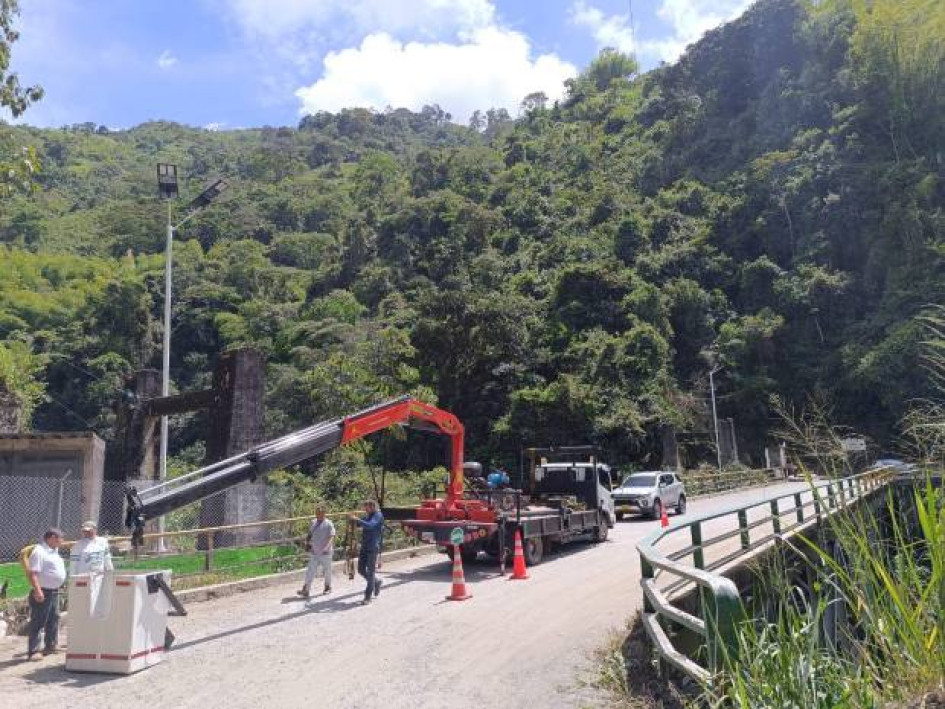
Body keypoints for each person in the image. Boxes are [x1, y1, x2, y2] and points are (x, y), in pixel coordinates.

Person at [25, 528, 67, 661]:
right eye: (61, 538)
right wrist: (37, 590)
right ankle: (34, 651)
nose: (63, 541)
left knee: (53, 618)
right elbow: (33, 573)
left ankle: (50, 645)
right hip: (43, 591)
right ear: (52, 537)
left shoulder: (54, 552)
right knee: (38, 620)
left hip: (53, 591)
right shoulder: (39, 551)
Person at [350, 500, 384, 605]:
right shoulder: (368, 515)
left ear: (373, 507)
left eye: (367, 507)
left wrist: (357, 520)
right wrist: (353, 521)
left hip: (373, 547)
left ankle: (367, 596)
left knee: (370, 571)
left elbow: (370, 525)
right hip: (365, 546)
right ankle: (376, 582)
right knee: (360, 569)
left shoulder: (378, 516)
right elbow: (361, 524)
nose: (365, 509)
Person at [297, 507, 335, 598]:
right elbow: (310, 534)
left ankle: (327, 586)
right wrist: (307, 542)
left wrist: (327, 547)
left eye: (320, 513)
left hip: (326, 553)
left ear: (324, 514)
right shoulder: (313, 522)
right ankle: (306, 589)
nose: (318, 515)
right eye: (317, 513)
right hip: (314, 551)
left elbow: (332, 536)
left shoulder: (329, 524)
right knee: (310, 571)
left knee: (327, 570)